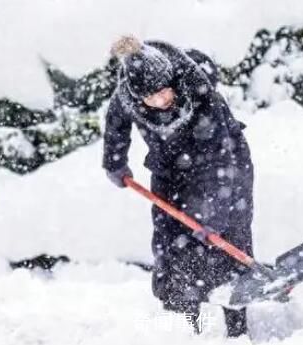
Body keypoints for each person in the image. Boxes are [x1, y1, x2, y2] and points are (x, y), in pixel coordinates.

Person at [102, 36, 254, 336]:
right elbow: (116, 123)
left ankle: (238, 331)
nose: (159, 102)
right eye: (150, 98)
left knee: (228, 244)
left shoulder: (200, 92)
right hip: (169, 169)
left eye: (163, 93)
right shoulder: (128, 94)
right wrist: (114, 162)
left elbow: (220, 161)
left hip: (225, 163)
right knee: (171, 245)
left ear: (173, 81)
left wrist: (214, 218)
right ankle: (187, 329)